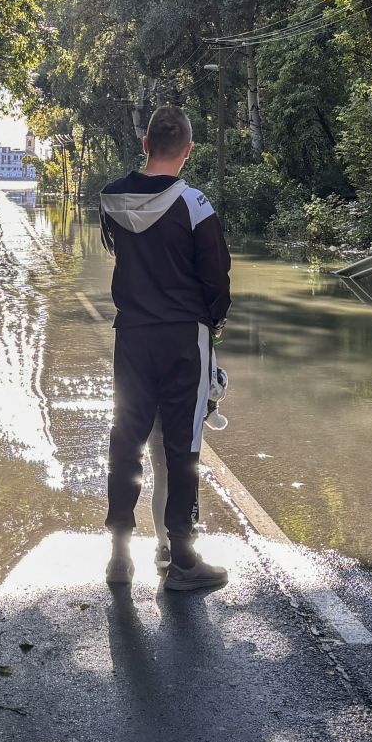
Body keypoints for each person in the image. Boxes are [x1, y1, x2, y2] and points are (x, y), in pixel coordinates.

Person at [98, 106, 231, 591]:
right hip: (183, 339)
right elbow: (217, 281)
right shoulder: (196, 205)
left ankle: (118, 556)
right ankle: (182, 561)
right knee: (182, 448)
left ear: (146, 144)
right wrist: (214, 324)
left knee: (125, 441)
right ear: (188, 151)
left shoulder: (111, 199)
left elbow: (120, 253)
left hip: (132, 336)